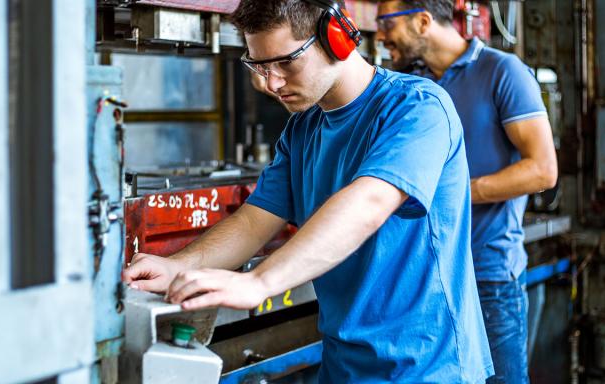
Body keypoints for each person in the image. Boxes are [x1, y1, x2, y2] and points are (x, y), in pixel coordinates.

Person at [123, 0, 493, 381]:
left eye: (285, 62)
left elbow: (369, 201)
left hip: (427, 366)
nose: (271, 83)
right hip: (344, 365)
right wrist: (179, 266)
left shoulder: (416, 107)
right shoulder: (302, 131)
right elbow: (254, 220)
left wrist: (259, 282)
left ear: (336, 39)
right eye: (260, 65)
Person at [375, 1, 559, 383]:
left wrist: (454, 192)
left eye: (385, 22)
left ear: (422, 21)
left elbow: (542, 170)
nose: (379, 34)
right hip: (421, 279)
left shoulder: (502, 71)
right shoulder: (410, 82)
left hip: (487, 277)